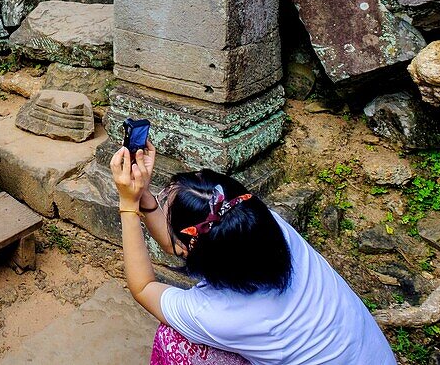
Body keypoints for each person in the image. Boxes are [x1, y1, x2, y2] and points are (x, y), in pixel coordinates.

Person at [109, 141, 396, 365]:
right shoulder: (261, 226)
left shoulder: (217, 314)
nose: (160, 203)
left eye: (164, 205)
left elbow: (144, 287)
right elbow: (180, 246)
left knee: (173, 339)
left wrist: (127, 205)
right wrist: (143, 195)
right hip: (370, 355)